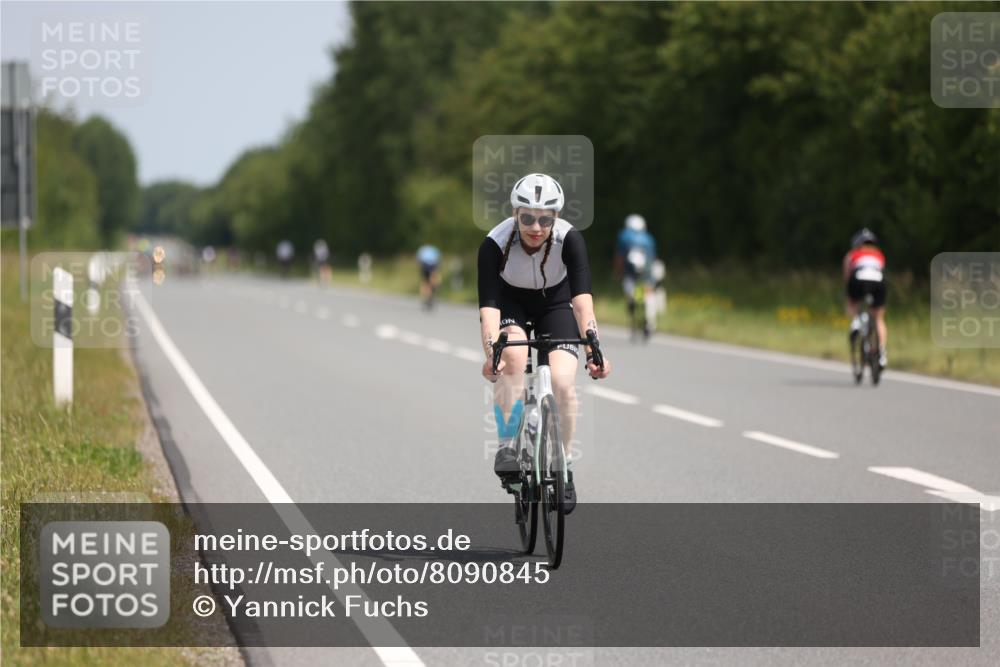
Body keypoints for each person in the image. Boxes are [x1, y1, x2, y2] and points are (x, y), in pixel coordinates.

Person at [478, 173, 611, 514]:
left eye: (545, 218)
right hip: (512, 305)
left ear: (556, 217)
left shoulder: (570, 240)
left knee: (564, 384)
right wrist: (491, 352)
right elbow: (489, 310)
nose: (536, 227)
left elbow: (583, 303)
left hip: (556, 303)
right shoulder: (494, 244)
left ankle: (564, 468)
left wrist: (594, 350)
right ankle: (508, 446)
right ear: (514, 213)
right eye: (527, 217)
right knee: (512, 358)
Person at [843, 228, 888, 367]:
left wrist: (849, 295)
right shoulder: (879, 254)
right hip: (878, 280)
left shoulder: (852, 254)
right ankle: (881, 353)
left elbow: (847, 275)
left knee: (853, 303)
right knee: (879, 317)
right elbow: (881, 270)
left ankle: (856, 322)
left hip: (858, 277)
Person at [613, 214, 658, 340]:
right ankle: (650, 323)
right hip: (647, 274)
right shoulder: (649, 238)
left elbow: (620, 258)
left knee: (630, 295)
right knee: (649, 297)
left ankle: (632, 314)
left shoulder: (623, 236)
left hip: (630, 274)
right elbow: (653, 259)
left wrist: (618, 273)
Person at [416, 244, 442, 309]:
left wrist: (419, 267)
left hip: (424, 265)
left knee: (425, 282)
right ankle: (435, 285)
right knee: (433, 276)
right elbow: (439, 259)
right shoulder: (434, 249)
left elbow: (418, 259)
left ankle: (425, 296)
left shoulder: (423, 249)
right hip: (432, 265)